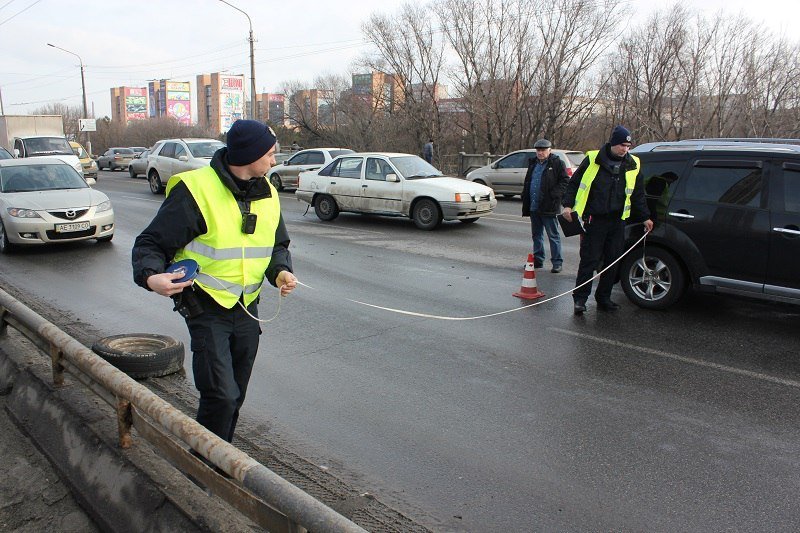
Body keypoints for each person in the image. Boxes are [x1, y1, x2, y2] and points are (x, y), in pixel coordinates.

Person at [132, 119, 298, 442]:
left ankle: (219, 458)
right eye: (270, 154)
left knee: (235, 397)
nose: (275, 161)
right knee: (220, 395)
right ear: (249, 155)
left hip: (248, 309)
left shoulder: (269, 194)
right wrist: (153, 277)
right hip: (206, 307)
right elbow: (150, 244)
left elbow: (277, 244)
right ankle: (203, 468)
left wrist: (280, 271)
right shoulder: (197, 191)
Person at [561, 125, 653, 315]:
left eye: (628, 146)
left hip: (618, 221)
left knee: (612, 262)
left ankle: (604, 298)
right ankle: (580, 299)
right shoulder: (593, 159)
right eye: (621, 145)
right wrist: (568, 205)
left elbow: (637, 194)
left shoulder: (633, 163)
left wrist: (645, 217)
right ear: (613, 143)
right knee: (589, 260)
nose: (625, 149)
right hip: (595, 220)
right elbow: (574, 184)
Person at [521, 138, 570, 273]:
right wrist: (524, 194)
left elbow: (565, 181)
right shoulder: (533, 163)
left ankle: (557, 262)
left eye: (543, 150)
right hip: (534, 205)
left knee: (553, 235)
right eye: (538, 150)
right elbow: (529, 181)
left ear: (549, 150)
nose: (540, 153)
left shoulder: (557, 163)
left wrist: (554, 195)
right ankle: (538, 260)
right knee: (536, 235)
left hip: (549, 206)